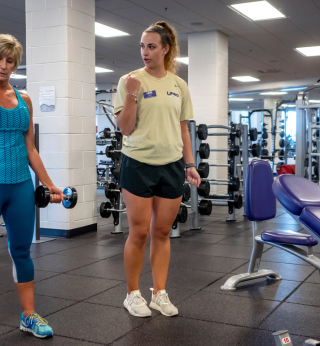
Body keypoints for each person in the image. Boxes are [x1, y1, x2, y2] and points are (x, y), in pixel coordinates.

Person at [0, 34, 62, 346]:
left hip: (19, 186)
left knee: (22, 250)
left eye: (10, 60)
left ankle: (28, 315)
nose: (4, 66)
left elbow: (30, 147)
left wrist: (49, 183)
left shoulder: (25, 100)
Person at [114, 21, 201, 318]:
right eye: (141, 46)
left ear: (166, 49)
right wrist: (131, 94)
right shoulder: (129, 80)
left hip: (172, 165)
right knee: (138, 232)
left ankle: (159, 293)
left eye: (151, 46)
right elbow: (125, 128)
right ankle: (132, 293)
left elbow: (183, 129)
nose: (145, 52)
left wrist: (190, 164)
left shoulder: (179, 85)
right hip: (138, 163)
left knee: (162, 232)